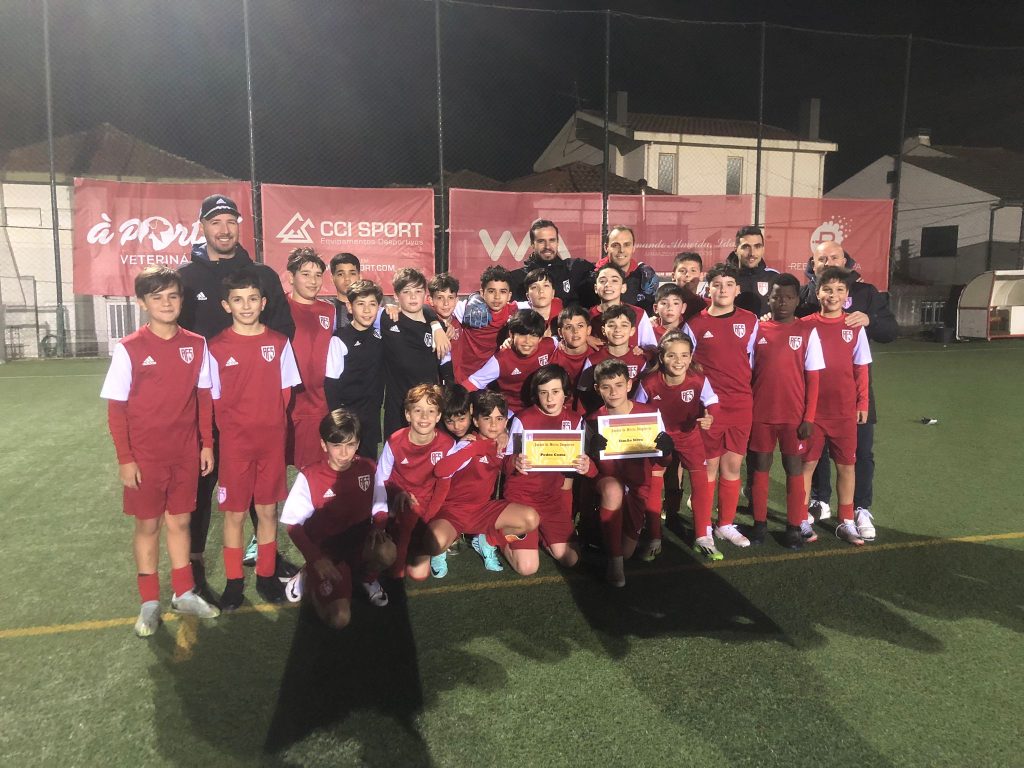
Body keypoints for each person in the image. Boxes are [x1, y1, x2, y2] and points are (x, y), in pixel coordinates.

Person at [177, 194, 295, 598]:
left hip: (256, 411)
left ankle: (265, 564)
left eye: (230, 221)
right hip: (205, 402)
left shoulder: (261, 274)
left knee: (263, 501)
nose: (224, 229)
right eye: (215, 222)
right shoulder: (186, 278)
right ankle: (195, 568)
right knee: (203, 489)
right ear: (203, 227)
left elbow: (282, 332)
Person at [101, 266, 221, 636]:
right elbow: (117, 409)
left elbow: (203, 398)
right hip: (146, 457)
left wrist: (206, 444)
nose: (166, 303)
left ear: (181, 300)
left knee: (181, 522)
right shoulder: (129, 348)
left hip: (184, 453)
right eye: (157, 297)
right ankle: (149, 602)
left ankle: (183, 592)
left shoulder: (196, 344)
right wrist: (125, 459)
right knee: (148, 525)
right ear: (142, 303)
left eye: (172, 296)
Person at [208, 269, 302, 608]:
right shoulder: (216, 347)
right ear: (226, 305)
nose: (246, 306)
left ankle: (266, 576)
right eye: (238, 300)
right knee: (234, 514)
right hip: (235, 446)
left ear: (263, 303)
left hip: (270, 444)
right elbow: (214, 398)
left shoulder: (278, 342)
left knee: (267, 511)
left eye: (252, 299)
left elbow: (286, 393)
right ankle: (234, 583)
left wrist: (269, 423)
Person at [799, 240, 898, 539]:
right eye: (821, 258)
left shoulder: (866, 294)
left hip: (851, 401)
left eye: (834, 257)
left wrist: (870, 320)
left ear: (845, 261)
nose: (828, 262)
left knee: (858, 456)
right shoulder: (805, 303)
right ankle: (817, 502)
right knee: (812, 458)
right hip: (813, 404)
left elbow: (888, 333)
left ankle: (859, 509)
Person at [406, 391, 540, 580]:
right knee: (433, 544)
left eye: (499, 419)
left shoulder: (501, 443)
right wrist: (474, 449)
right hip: (453, 512)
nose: (493, 425)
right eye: (487, 418)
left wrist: (515, 460)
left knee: (531, 519)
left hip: (482, 510)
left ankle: (487, 540)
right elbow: (442, 470)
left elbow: (506, 463)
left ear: (505, 422)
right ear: (476, 421)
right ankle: (443, 548)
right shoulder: (467, 443)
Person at [280, 410, 397, 627]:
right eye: (337, 445)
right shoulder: (310, 476)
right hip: (327, 555)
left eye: (350, 445)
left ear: (358, 443)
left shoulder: (368, 468)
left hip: (359, 545)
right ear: (324, 445)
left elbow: (380, 506)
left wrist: (378, 527)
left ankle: (367, 578)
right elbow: (293, 525)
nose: (344, 453)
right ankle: (308, 575)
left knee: (387, 551)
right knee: (339, 618)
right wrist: (315, 558)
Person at [682, 263, 759, 549]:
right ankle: (703, 528)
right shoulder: (695, 324)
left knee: (733, 466)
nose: (723, 289)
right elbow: (686, 367)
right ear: (708, 289)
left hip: (741, 404)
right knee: (708, 468)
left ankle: (725, 524)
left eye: (728, 284)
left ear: (738, 289)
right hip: (709, 408)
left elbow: (754, 361)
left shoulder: (750, 320)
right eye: (717, 284)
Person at [748, 274, 824, 549]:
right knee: (760, 467)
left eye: (789, 297)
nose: (782, 302)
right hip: (761, 415)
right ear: (769, 299)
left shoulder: (807, 331)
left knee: (794, 468)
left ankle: (793, 526)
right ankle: (759, 524)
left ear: (796, 301)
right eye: (777, 296)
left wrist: (809, 417)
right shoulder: (757, 330)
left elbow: (813, 379)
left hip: (794, 417)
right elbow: (748, 372)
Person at [585, 359, 674, 586]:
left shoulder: (649, 415)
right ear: (597, 388)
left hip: (637, 486)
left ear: (629, 384)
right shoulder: (592, 420)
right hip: (606, 482)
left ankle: (608, 538)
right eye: (606, 387)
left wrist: (666, 451)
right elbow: (587, 469)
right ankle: (614, 564)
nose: (613, 392)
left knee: (626, 551)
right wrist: (592, 453)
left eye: (618, 385)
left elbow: (664, 460)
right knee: (613, 490)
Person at [801, 267, 872, 546]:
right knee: (807, 465)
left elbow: (861, 368)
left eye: (839, 290)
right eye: (827, 289)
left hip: (844, 411)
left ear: (847, 295)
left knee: (846, 466)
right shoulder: (804, 325)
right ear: (817, 293)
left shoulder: (854, 326)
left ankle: (846, 521)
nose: (833, 295)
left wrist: (863, 401)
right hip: (812, 411)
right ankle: (800, 518)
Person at [502, 365, 594, 574]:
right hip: (521, 497)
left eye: (555, 391)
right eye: (543, 393)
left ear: (565, 393)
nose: (550, 398)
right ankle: (495, 536)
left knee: (571, 559)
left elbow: (590, 466)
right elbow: (504, 462)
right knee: (527, 568)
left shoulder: (575, 420)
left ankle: (542, 534)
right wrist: (514, 461)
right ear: (537, 394)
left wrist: (588, 467)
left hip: (551, 499)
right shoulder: (523, 419)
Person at [635, 332, 719, 560]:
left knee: (700, 480)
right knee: (654, 482)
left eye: (684, 355)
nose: (678, 361)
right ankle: (654, 536)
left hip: (689, 436)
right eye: (671, 355)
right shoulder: (649, 382)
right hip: (657, 438)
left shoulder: (698, 379)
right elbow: (636, 409)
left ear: (691, 357)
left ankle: (703, 535)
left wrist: (711, 416)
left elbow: (712, 400)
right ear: (661, 358)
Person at [373, 384, 455, 579]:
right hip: (398, 503)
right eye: (418, 410)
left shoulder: (447, 445)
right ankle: (397, 547)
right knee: (386, 556)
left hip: (427, 507)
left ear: (438, 416)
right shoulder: (395, 441)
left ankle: (419, 541)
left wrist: (426, 518)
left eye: (431, 411)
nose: (424, 417)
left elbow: (443, 487)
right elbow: (381, 479)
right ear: (408, 415)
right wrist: (395, 497)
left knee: (419, 574)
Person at [380, 268, 451, 439]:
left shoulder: (438, 329)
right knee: (398, 453)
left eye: (418, 291)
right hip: (398, 407)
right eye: (406, 292)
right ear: (396, 296)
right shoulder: (387, 319)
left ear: (425, 294)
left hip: (429, 407)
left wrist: (437, 326)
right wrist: (389, 306)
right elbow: (364, 311)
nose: (413, 297)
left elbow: (446, 367)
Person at [284, 248, 338, 471]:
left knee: (313, 471)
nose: (313, 281)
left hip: (316, 404)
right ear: (291, 277)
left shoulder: (329, 310)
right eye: (305, 274)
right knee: (272, 470)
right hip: (283, 403)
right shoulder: (278, 307)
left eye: (317, 275)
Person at [325, 280, 385, 460]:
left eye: (372, 304)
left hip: (371, 417)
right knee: (345, 465)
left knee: (368, 466)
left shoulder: (380, 336)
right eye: (360, 304)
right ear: (350, 307)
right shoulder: (340, 338)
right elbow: (331, 383)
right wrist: (338, 419)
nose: (367, 310)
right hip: (348, 418)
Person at [466, 309, 557, 415]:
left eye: (533, 335)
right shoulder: (501, 360)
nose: (527, 341)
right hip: (511, 412)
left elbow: (564, 339)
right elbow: (474, 382)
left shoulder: (549, 345)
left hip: (541, 408)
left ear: (540, 338)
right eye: (522, 334)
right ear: (511, 334)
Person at [577, 304, 650, 414]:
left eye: (624, 325)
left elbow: (647, 393)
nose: (617, 330)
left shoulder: (641, 360)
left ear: (632, 330)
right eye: (611, 325)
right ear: (603, 330)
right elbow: (582, 394)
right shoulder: (593, 360)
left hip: (634, 419)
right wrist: (586, 420)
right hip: (603, 418)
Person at [450, 265, 516, 382]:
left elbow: (542, 307)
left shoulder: (515, 310)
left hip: (493, 377)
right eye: (491, 291)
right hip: (464, 375)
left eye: (502, 292)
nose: (497, 297)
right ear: (482, 293)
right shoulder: (466, 309)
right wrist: (436, 327)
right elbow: (431, 305)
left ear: (509, 296)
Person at [508, 219, 595, 306]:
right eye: (541, 241)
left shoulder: (576, 268)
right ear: (532, 244)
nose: (547, 246)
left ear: (557, 242)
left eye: (552, 240)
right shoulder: (517, 279)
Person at [584, 225, 660, 313]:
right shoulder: (591, 276)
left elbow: (651, 313)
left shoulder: (646, 276)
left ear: (633, 248)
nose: (621, 250)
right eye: (616, 245)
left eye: (626, 245)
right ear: (606, 247)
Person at [587, 263, 658, 350]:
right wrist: (585, 339)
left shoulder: (639, 314)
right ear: (595, 288)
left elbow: (651, 348)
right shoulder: (587, 317)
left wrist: (641, 353)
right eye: (602, 281)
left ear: (623, 288)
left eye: (614, 280)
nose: (608, 285)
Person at [726, 225, 779, 317]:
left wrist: (771, 318)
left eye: (757, 246)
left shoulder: (774, 277)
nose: (752, 253)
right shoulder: (723, 277)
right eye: (746, 247)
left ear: (763, 249)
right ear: (736, 249)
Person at [515, 267, 562, 332]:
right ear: (528, 296)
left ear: (553, 292)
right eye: (534, 287)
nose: (541, 291)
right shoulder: (520, 314)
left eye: (546, 286)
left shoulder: (561, 309)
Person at [671, 252, 709, 323]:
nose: (688, 274)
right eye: (682, 271)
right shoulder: (663, 305)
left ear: (701, 276)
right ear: (673, 276)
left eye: (693, 270)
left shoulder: (708, 306)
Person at [328, 252, 361, 330]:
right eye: (341, 274)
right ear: (332, 279)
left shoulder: (371, 308)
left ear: (359, 277)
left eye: (352, 273)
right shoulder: (325, 308)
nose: (347, 279)